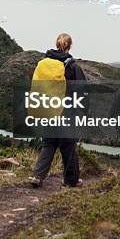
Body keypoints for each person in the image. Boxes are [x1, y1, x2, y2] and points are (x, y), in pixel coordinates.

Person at [29, 33, 86, 188]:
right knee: (68, 145)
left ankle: (37, 175)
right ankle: (71, 180)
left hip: (48, 110)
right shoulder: (73, 67)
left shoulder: (44, 64)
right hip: (65, 112)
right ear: (69, 46)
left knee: (49, 143)